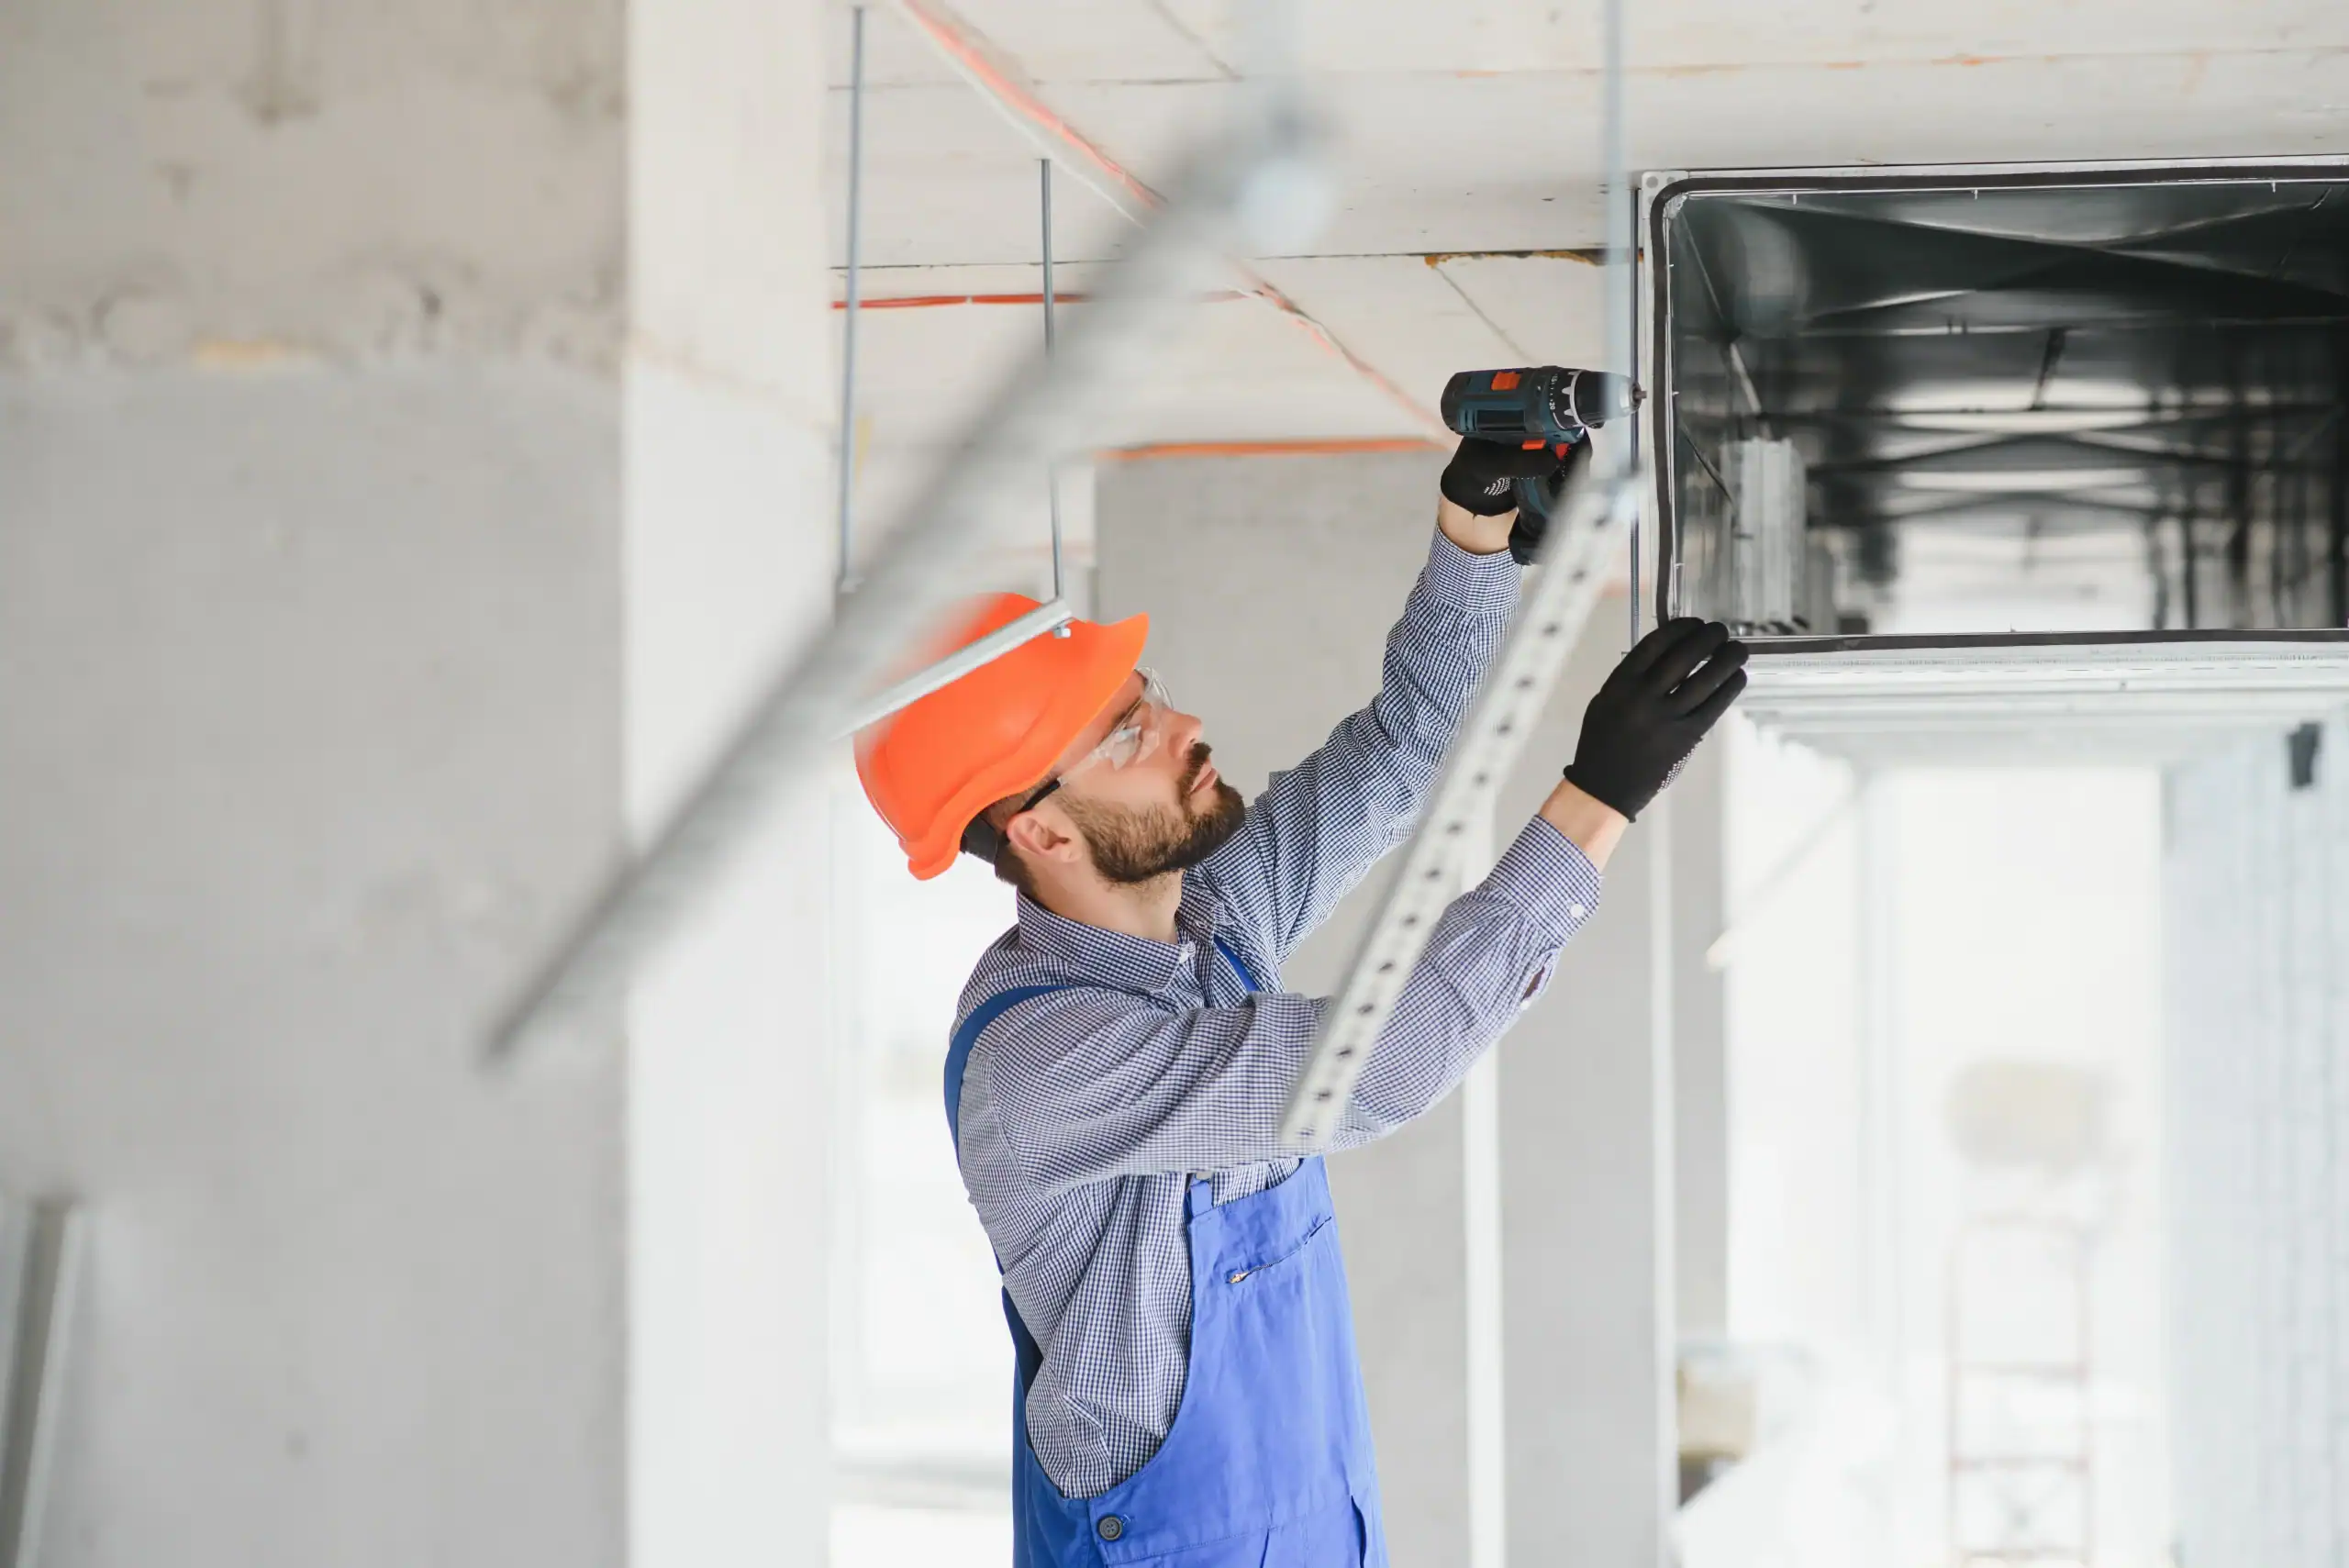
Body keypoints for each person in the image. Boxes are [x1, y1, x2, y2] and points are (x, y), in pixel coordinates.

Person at [854, 427, 1749, 1568]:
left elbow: (1397, 751)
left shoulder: (1208, 924)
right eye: (1129, 731)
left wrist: (1473, 530)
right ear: (1042, 830)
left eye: (1154, 695)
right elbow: (1373, 1068)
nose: (1184, 729)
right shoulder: (1043, 1061)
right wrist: (1598, 800)